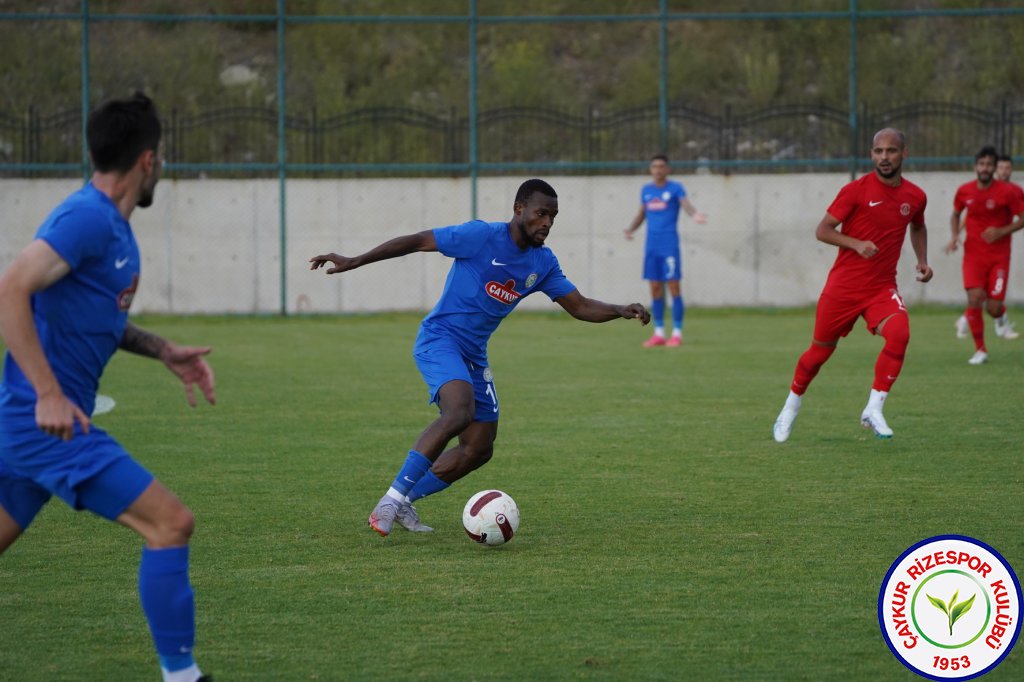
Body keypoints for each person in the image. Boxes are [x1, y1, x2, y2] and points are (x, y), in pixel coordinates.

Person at [0, 93, 215, 682]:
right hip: (46, 424)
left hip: (28, 431)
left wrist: (163, 351)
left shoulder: (112, 230)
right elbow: (10, 288)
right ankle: (183, 676)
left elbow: (97, 319)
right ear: (148, 161)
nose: (163, 166)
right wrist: (47, 392)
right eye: (163, 156)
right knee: (171, 523)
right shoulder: (88, 217)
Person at [310, 179, 650, 536]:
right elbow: (416, 241)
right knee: (459, 412)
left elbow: (579, 306)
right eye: (541, 214)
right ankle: (389, 500)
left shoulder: (543, 262)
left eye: (553, 216)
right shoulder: (479, 236)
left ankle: (406, 502)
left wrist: (618, 309)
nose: (547, 222)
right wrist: (356, 260)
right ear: (519, 209)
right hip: (439, 340)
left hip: (473, 354)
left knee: (479, 448)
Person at [772, 128, 932, 442]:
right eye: (878, 151)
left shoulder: (915, 196)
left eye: (891, 151)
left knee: (900, 333)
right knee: (818, 354)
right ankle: (790, 406)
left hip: (881, 287)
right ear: (871, 154)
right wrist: (856, 244)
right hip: (843, 288)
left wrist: (922, 260)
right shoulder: (856, 191)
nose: (884, 158)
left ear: (904, 154)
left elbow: (918, 225)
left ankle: (874, 407)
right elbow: (823, 230)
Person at [945, 146, 1024, 364]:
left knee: (993, 307)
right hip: (973, 257)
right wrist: (954, 237)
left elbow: (1022, 218)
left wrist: (1002, 230)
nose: (985, 168)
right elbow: (955, 214)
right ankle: (981, 350)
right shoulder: (964, 190)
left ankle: (1001, 316)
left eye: (990, 164)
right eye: (982, 164)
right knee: (974, 297)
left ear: (994, 168)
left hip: (999, 258)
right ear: (975, 166)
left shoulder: (1008, 192)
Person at [624, 154, 707, 347]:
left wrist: (695, 215)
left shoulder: (675, 188)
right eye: (654, 166)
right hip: (651, 246)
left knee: (673, 287)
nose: (658, 170)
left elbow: (686, 204)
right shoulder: (646, 190)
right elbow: (641, 214)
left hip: (669, 245)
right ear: (650, 169)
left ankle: (677, 333)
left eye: (662, 166)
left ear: (667, 169)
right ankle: (659, 333)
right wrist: (630, 229)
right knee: (654, 289)